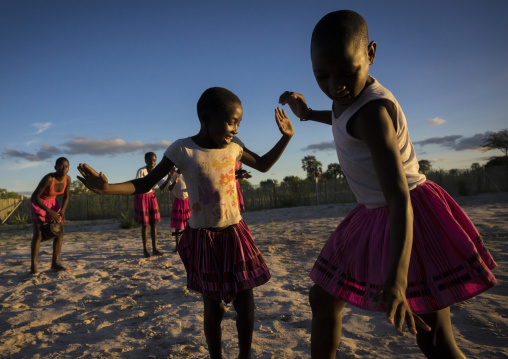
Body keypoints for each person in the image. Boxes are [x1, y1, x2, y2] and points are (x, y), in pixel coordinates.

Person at [279, 10, 497, 359]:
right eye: (323, 76)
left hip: (409, 213)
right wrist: (307, 114)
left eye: (346, 73)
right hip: (374, 211)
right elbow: (340, 113)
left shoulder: (373, 115)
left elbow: (398, 199)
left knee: (435, 339)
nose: (336, 86)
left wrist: (397, 281)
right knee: (322, 296)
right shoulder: (350, 98)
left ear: (371, 53)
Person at [77, 87, 294, 359]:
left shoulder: (235, 146)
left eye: (239, 123)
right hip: (205, 238)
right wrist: (106, 189)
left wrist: (285, 138)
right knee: (213, 307)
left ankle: (244, 355)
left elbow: (262, 164)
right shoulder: (182, 149)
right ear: (205, 117)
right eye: (231, 121)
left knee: (246, 301)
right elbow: (146, 183)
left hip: (235, 234)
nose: (236, 128)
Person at [30, 157, 71, 274]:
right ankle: (33, 268)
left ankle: (55, 264)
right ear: (55, 167)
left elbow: (66, 196)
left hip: (53, 204)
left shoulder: (68, 179)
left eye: (66, 166)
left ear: (69, 168)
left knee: (59, 232)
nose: (63, 168)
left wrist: (62, 211)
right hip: (40, 204)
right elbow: (34, 196)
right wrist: (48, 211)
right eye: (61, 166)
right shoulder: (48, 179)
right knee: (38, 234)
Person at [134, 152, 168, 258]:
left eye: (154, 160)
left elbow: (162, 186)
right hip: (142, 197)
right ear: (145, 160)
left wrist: (170, 176)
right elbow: (137, 185)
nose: (152, 162)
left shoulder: (157, 172)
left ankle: (155, 249)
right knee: (145, 225)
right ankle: (145, 250)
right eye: (150, 160)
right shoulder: (141, 171)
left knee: (154, 224)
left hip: (152, 197)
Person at [160, 169, 190, 252]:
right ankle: (178, 246)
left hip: (187, 201)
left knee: (188, 225)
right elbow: (169, 188)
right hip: (178, 202)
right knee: (178, 226)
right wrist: (175, 182)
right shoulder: (173, 175)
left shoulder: (186, 173)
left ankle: (187, 244)